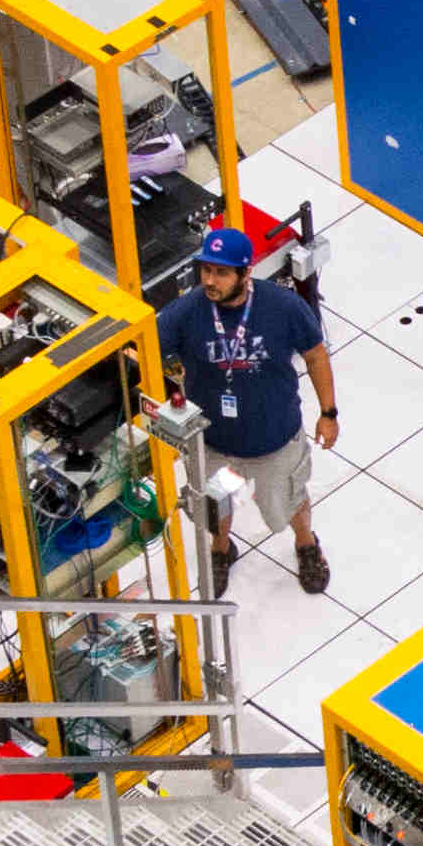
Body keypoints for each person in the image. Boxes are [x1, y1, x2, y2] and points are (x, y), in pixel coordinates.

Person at [162, 215, 341, 596]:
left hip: (274, 441)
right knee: (215, 505)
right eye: (206, 271)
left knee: (286, 503)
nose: (209, 281)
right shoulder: (187, 311)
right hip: (213, 444)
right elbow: (145, 350)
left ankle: (306, 544)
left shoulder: (283, 307)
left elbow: (315, 356)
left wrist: (328, 413)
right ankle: (221, 549)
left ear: (246, 274)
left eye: (221, 273)